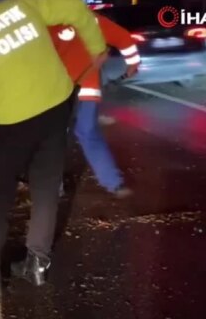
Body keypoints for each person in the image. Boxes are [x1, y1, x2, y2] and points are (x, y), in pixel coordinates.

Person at [0, 0, 107, 300]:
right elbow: (76, 10)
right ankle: (36, 265)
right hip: (57, 107)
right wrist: (97, 48)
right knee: (45, 188)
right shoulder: (24, 5)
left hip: (13, 123)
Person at [48, 12, 140, 198]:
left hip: (57, 91)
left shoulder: (48, 22)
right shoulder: (93, 19)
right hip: (88, 89)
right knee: (88, 133)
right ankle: (113, 183)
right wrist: (133, 63)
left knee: (53, 139)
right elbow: (123, 37)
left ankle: (52, 186)